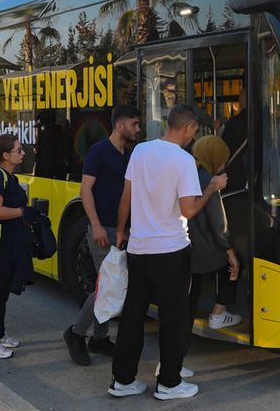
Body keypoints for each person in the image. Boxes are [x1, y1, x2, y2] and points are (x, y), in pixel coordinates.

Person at [110, 105, 227, 401]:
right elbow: (188, 210)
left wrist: (121, 232)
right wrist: (212, 187)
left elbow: (126, 196)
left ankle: (123, 380)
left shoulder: (140, 152)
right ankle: (169, 383)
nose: (193, 136)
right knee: (174, 318)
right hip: (171, 251)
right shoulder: (184, 161)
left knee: (133, 316)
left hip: (138, 247)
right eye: (194, 131)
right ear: (188, 129)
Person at [63, 104, 140, 366]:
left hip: (122, 231)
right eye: (135, 124)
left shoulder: (128, 154)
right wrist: (95, 225)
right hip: (102, 228)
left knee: (113, 286)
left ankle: (99, 337)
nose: (138, 129)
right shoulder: (98, 152)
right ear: (120, 125)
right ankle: (76, 333)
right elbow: (86, 190)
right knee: (107, 285)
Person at [0, 133, 37, 359]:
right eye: (18, 150)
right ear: (5, 155)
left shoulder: (9, 176)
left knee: (2, 291)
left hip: (12, 242)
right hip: (1, 243)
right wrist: (22, 212)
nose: (23, 153)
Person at [186, 136, 241, 340]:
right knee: (236, 263)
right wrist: (231, 254)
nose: (225, 164)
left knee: (191, 294)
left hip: (187, 246)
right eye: (223, 159)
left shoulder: (187, 173)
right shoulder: (209, 181)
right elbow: (219, 226)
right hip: (204, 250)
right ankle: (218, 314)